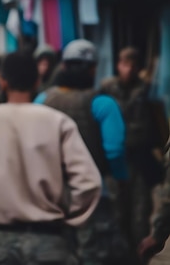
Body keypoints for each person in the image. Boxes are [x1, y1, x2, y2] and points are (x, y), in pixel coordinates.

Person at [0, 51, 103, 265]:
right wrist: (69, 218)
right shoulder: (58, 123)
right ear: (37, 81)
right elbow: (89, 183)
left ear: (2, 82)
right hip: (51, 241)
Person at [35, 39, 131, 264]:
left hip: (52, 194)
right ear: (93, 69)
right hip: (96, 194)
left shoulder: (42, 100)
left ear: (63, 67)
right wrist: (120, 180)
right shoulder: (103, 104)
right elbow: (114, 151)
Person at [101, 47, 168, 253]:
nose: (128, 69)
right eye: (124, 64)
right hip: (114, 160)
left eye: (132, 65)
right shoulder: (107, 89)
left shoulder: (148, 90)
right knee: (115, 211)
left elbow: (159, 123)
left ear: (137, 67)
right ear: (118, 65)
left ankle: (137, 253)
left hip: (139, 159)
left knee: (140, 214)